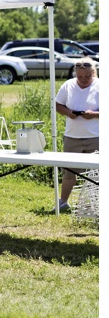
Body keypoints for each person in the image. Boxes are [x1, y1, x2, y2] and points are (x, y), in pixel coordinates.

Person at [55, 56, 99, 212]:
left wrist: (94, 114)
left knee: (97, 173)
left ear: (93, 73)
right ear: (75, 74)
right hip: (72, 136)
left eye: (87, 76)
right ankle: (63, 202)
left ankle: (95, 205)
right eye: (80, 76)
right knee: (69, 173)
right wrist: (68, 112)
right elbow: (58, 105)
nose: (83, 80)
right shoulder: (68, 85)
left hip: (96, 137)